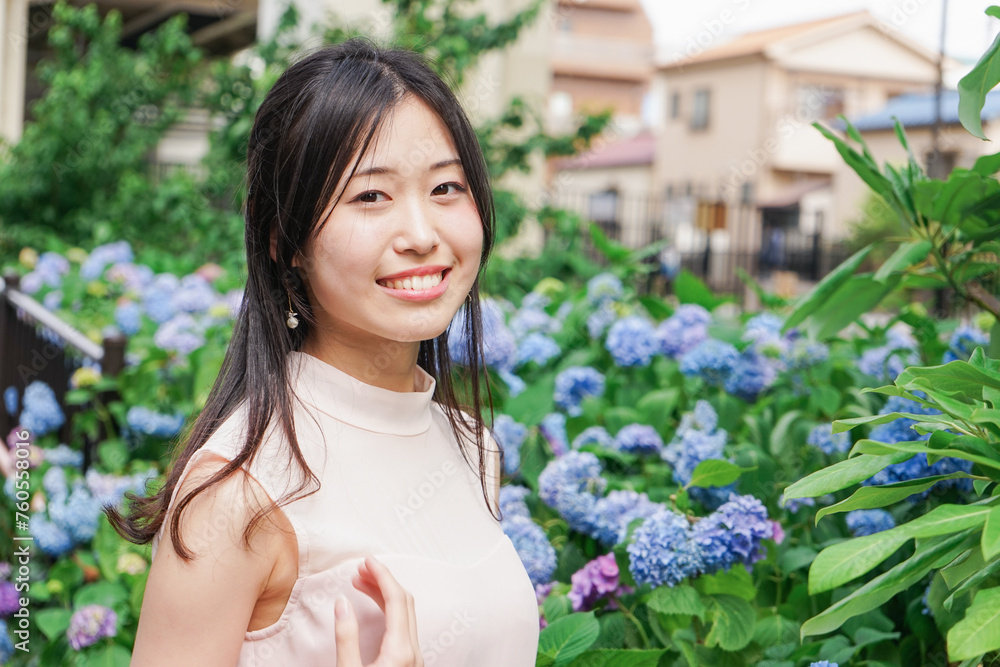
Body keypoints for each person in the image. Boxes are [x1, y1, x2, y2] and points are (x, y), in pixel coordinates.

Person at [108, 38, 541, 666]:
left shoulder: (472, 445)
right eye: (370, 196)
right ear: (285, 241)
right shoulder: (239, 494)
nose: (422, 235)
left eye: (446, 187)